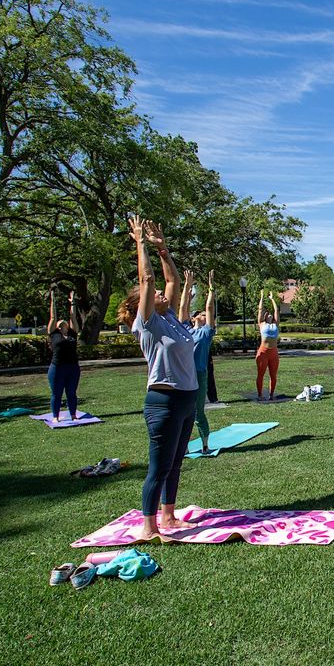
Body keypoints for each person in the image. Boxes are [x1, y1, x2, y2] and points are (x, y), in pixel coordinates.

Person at [117, 215, 199, 540]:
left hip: (187, 399)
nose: (166, 295)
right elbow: (148, 280)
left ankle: (170, 517)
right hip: (163, 402)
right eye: (156, 295)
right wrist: (140, 242)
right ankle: (149, 527)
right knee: (159, 467)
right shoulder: (148, 323)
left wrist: (164, 250)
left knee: (176, 463)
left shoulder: (174, 321)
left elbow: (173, 282)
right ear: (144, 304)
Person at [182, 270, 216, 454]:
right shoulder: (185, 330)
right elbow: (182, 310)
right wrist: (187, 290)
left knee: (198, 412)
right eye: (201, 315)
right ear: (194, 318)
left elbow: (210, 308)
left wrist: (211, 288)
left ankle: (205, 445)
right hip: (184, 374)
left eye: (205, 315)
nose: (204, 316)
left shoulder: (206, 333)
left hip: (200, 374)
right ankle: (184, 447)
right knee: (184, 413)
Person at [46, 287, 81, 422]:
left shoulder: (72, 334)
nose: (61, 324)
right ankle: (55, 416)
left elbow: (73, 316)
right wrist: (52, 300)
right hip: (57, 367)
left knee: (71, 393)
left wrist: (72, 303)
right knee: (57, 394)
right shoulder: (54, 334)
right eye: (59, 324)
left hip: (72, 367)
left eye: (63, 323)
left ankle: (73, 415)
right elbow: (53, 317)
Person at [255, 290, 280, 400]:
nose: (269, 314)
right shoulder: (261, 324)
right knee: (261, 375)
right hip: (263, 352)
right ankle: (260, 395)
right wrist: (261, 297)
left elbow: (276, 310)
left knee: (273, 375)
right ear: (265, 316)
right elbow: (260, 310)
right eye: (267, 313)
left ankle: (271, 394)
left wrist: (272, 299)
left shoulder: (275, 324)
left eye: (270, 314)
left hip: (273, 352)